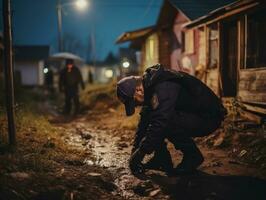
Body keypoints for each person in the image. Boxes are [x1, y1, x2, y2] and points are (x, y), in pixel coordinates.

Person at [116, 64, 227, 176]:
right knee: (153, 116)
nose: (135, 106)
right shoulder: (149, 86)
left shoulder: (163, 86)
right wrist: (134, 151)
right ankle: (161, 159)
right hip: (194, 115)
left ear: (138, 90)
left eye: (134, 102)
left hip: (209, 118)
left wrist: (141, 152)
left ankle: (193, 156)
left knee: (164, 121)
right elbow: (144, 123)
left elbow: (160, 122)